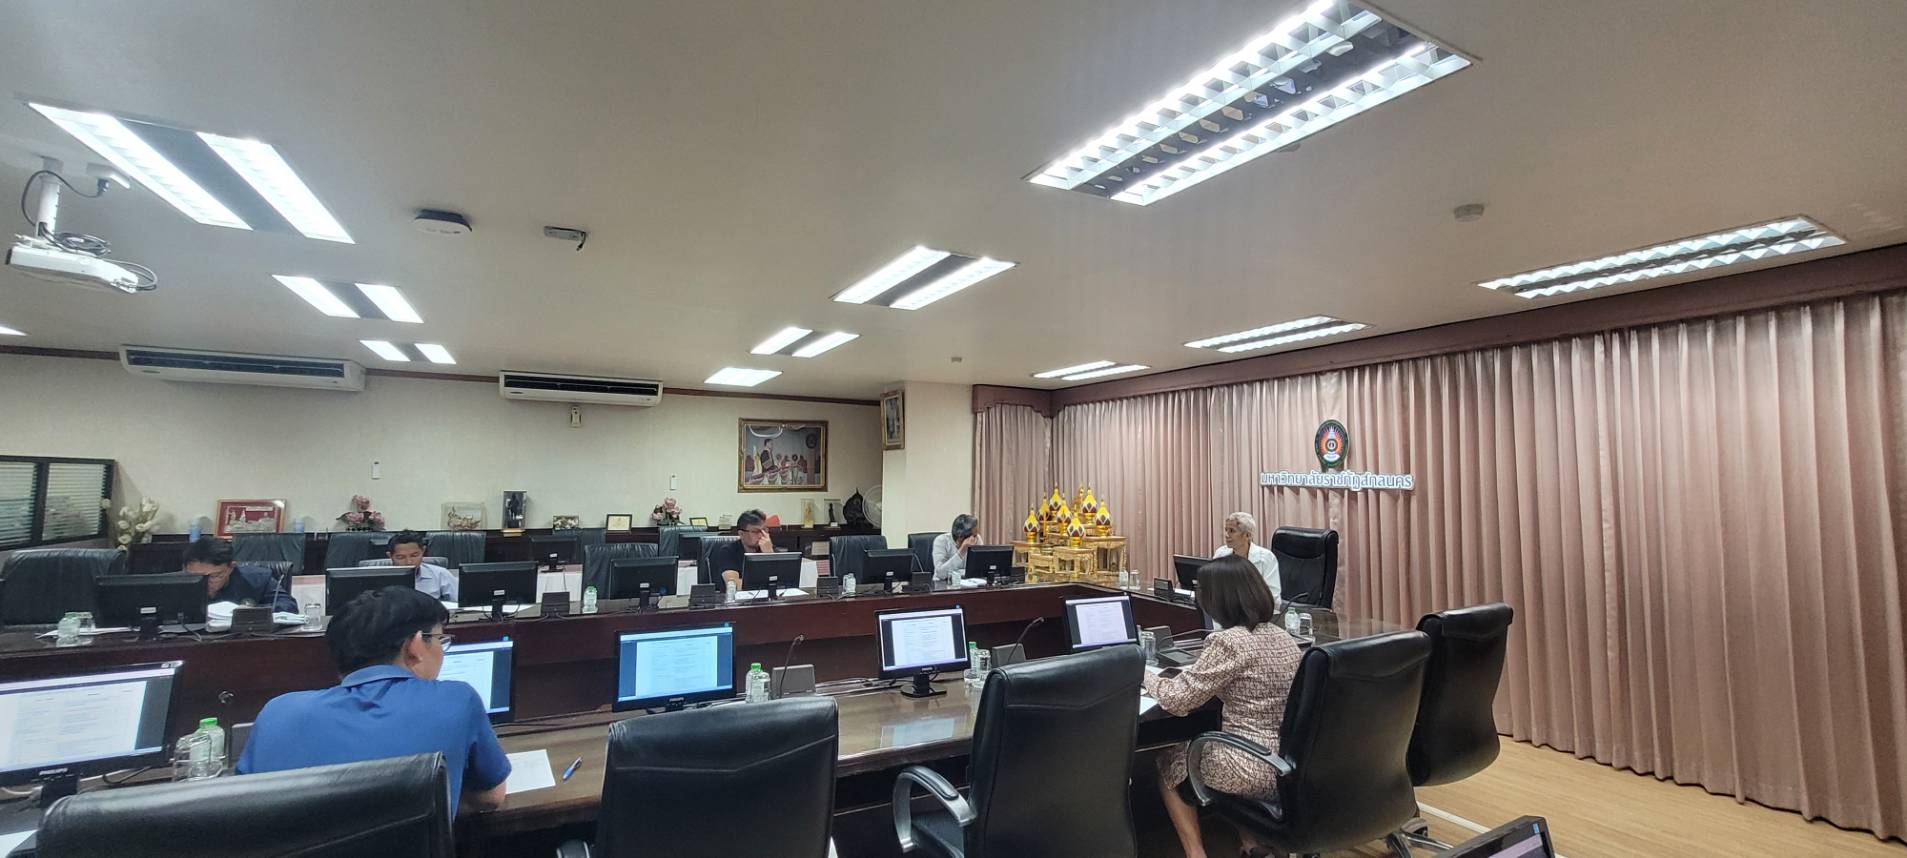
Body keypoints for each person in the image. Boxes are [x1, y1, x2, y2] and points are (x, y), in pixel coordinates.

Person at [237, 586, 511, 815]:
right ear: (415, 645)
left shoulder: (277, 711)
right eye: (441, 639)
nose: (442, 649)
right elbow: (491, 797)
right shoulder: (456, 699)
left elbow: (241, 808)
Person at [1142, 556, 1302, 858]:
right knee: (1214, 744)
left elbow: (1177, 700)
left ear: (1217, 600)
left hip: (1251, 767)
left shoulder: (1229, 642)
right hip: (1290, 762)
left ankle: (1196, 853)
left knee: (1171, 759)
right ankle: (1252, 844)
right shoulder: (1283, 637)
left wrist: (1143, 671)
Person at [181, 536, 298, 613]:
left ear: (231, 567)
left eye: (214, 576)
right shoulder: (175, 584)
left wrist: (253, 611)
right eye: (196, 577)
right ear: (185, 569)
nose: (205, 582)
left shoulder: (258, 578)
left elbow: (289, 606)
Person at [1213, 511, 1281, 602]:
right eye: (1226, 530)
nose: (1226, 535)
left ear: (1248, 535)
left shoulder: (1266, 558)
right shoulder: (1220, 553)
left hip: (1257, 607)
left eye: (1232, 531)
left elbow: (1272, 595)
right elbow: (1213, 585)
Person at [388, 530, 457, 601]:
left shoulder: (440, 574)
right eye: (401, 557)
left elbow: (457, 603)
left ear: (423, 551)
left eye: (414, 555)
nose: (409, 562)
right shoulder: (382, 578)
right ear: (390, 556)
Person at [720, 509, 778, 587]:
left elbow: (781, 581)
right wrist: (763, 584)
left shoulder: (769, 549)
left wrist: (769, 556)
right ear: (741, 534)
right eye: (756, 531)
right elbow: (733, 584)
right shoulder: (728, 551)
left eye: (764, 530)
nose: (761, 536)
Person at [931, 514, 980, 585]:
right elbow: (941, 574)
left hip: (969, 584)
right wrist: (962, 550)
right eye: (974, 536)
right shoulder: (941, 541)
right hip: (943, 585)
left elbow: (979, 569)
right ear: (960, 537)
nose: (976, 538)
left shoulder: (977, 538)